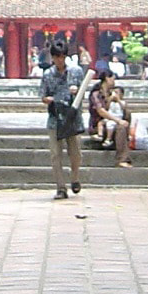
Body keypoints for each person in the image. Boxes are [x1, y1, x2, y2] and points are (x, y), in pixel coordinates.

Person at [38, 40, 88, 199]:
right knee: (55, 154)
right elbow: (43, 96)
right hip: (55, 118)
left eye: (62, 56)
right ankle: (60, 187)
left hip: (72, 118)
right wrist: (49, 99)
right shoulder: (47, 75)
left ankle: (75, 178)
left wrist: (76, 91)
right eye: (56, 57)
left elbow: (83, 92)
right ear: (52, 57)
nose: (59, 60)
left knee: (75, 153)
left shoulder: (76, 71)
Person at [89, 65, 133, 166]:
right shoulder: (96, 94)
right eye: (113, 79)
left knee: (125, 117)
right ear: (107, 79)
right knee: (120, 127)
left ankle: (123, 156)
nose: (114, 82)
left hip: (113, 123)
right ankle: (122, 159)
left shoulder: (112, 93)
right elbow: (101, 111)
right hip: (100, 126)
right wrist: (118, 120)